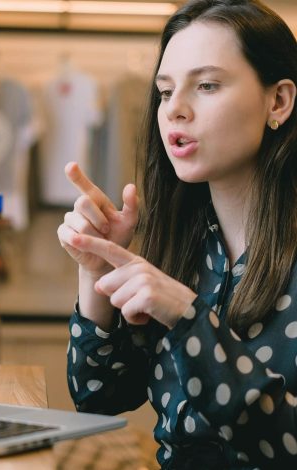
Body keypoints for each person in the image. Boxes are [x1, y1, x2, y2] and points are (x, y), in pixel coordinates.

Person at [57, 0, 297, 468]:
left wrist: (189, 318)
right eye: (165, 92)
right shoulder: (187, 245)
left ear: (279, 101)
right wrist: (97, 270)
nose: (175, 111)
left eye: (206, 85)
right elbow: (98, 398)